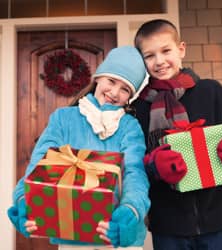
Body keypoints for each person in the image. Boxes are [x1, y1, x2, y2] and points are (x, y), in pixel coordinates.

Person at [7, 46, 150, 250]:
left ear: (130, 96)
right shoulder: (63, 118)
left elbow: (135, 172)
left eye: (125, 89)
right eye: (111, 81)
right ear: (99, 77)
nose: (115, 92)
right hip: (73, 233)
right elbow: (41, 163)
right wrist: (25, 199)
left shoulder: (129, 126)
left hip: (113, 234)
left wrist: (130, 210)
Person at [132, 19, 222, 250]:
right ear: (142, 61)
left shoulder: (211, 91)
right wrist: (154, 163)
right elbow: (135, 161)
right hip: (168, 223)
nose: (159, 61)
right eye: (149, 55)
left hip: (219, 217)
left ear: (181, 49)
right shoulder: (139, 108)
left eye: (166, 50)